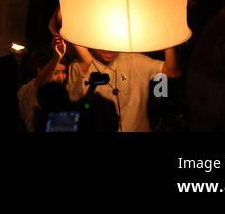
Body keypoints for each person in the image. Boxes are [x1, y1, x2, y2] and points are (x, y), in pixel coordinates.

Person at [51, 7, 182, 132]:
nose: (108, 49)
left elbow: (172, 72)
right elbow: (67, 110)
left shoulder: (134, 60)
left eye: (112, 42)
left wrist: (168, 39)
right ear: (91, 39)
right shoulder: (79, 68)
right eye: (102, 43)